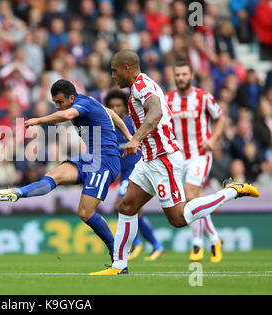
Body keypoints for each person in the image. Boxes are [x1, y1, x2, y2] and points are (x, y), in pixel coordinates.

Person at [91, 50, 259, 275]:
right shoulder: (140, 86)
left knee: (178, 219)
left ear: (127, 68)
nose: (112, 75)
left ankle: (231, 191)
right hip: (149, 159)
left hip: (163, 159)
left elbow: (156, 112)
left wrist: (135, 138)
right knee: (127, 206)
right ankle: (119, 266)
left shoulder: (142, 86)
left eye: (114, 70)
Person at [0, 79, 133, 262]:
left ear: (72, 97)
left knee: (85, 213)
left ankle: (117, 253)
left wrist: (38, 120)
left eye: (60, 102)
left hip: (105, 162)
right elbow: (111, 113)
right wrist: (129, 137)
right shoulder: (89, 102)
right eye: (54, 102)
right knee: (52, 176)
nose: (57, 106)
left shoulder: (82, 105)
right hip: (89, 158)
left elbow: (66, 116)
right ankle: (17, 192)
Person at [165, 61, 227, 263]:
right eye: (177, 74)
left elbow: (221, 118)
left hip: (200, 155)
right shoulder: (168, 100)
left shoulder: (203, 97)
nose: (180, 78)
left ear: (192, 75)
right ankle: (215, 240)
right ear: (174, 77)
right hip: (178, 158)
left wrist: (213, 140)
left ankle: (197, 244)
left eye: (184, 74)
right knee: (191, 203)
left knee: (191, 197)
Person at [104, 89, 164, 261]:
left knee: (121, 204)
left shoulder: (133, 124)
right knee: (133, 209)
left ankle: (137, 243)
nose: (115, 109)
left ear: (125, 107)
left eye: (118, 105)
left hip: (137, 170)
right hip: (124, 175)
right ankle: (155, 245)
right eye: (111, 106)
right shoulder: (109, 128)